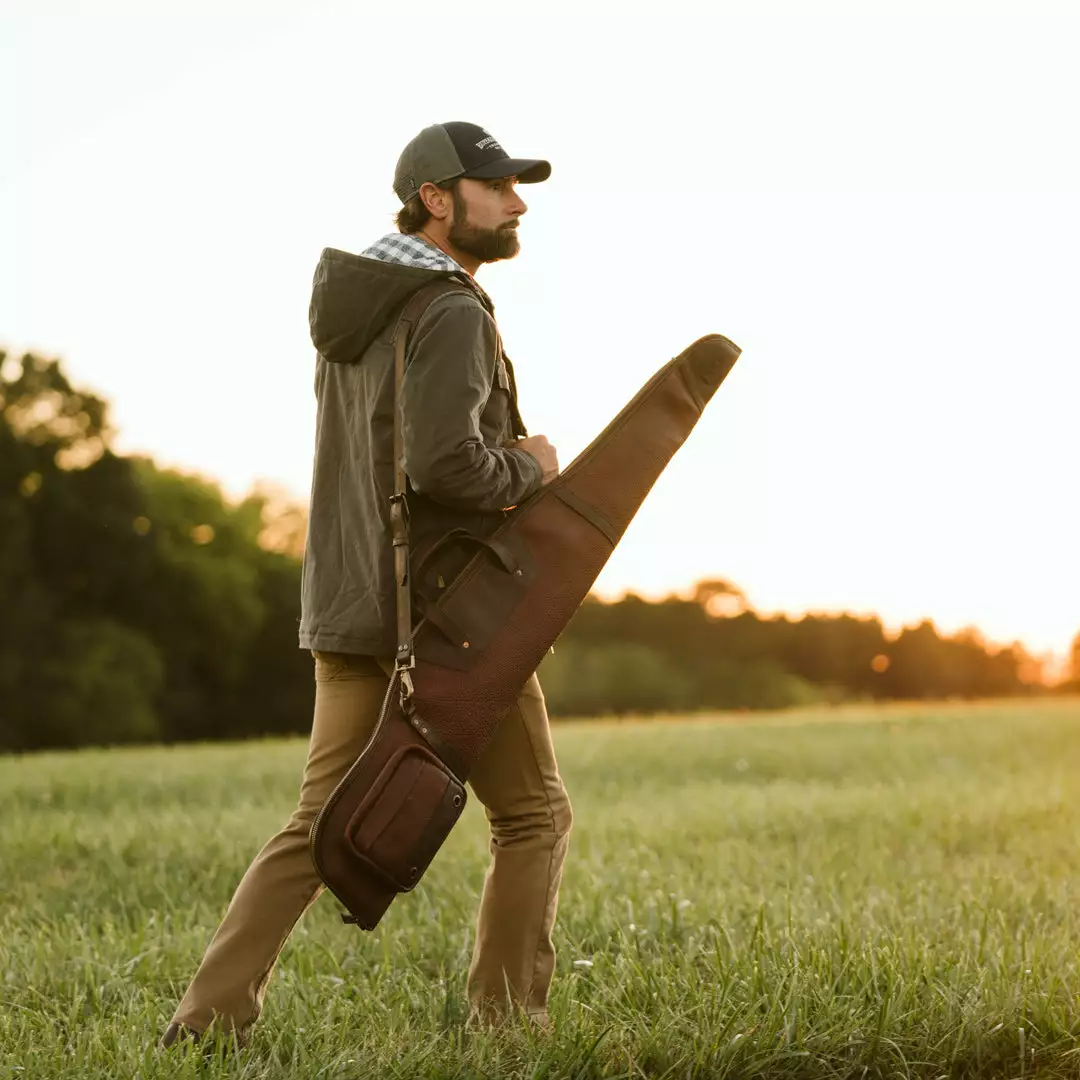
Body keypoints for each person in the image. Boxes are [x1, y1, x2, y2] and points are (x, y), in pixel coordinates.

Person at [161, 122, 572, 1049]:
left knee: (318, 821)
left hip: (349, 606)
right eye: (497, 185)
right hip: (447, 613)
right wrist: (530, 467)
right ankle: (509, 1032)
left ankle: (206, 1022)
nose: (517, 203)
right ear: (437, 198)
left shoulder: (358, 307)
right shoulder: (453, 308)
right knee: (533, 815)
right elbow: (447, 469)